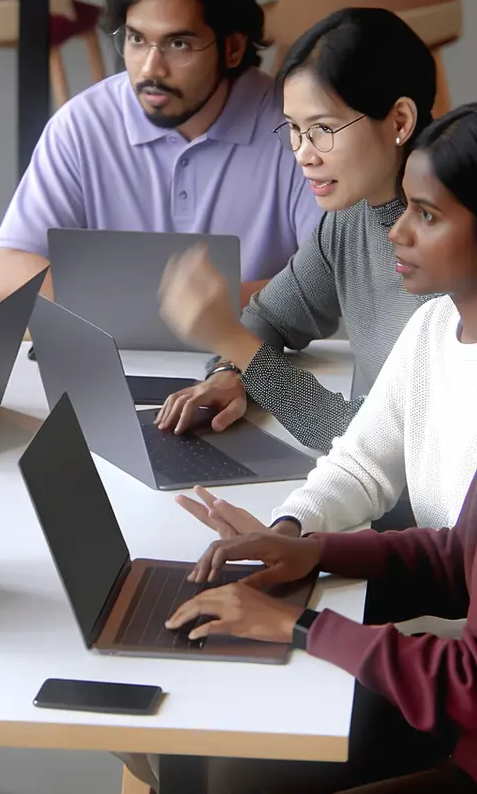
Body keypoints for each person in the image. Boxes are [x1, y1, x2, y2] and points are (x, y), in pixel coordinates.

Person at [138, 105, 477, 793]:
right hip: (461, 708)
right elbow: (455, 553)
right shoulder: (436, 324)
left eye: (428, 216)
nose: (399, 232)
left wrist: (299, 624)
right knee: (199, 748)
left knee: (231, 770)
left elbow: (468, 683)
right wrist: (307, 545)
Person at [0, 0, 323, 309]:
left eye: (178, 44)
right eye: (136, 39)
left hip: (252, 359)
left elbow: (329, 281)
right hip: (111, 356)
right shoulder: (83, 124)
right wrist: (146, 311)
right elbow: (7, 274)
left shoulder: (297, 130)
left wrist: (193, 316)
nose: (150, 68)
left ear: (232, 48)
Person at [157, 8, 437, 457]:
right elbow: (270, 318)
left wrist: (232, 341)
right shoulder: (350, 217)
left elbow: (376, 446)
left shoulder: (452, 251)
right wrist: (229, 371)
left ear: (400, 121)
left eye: (323, 129)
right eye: (293, 129)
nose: (303, 154)